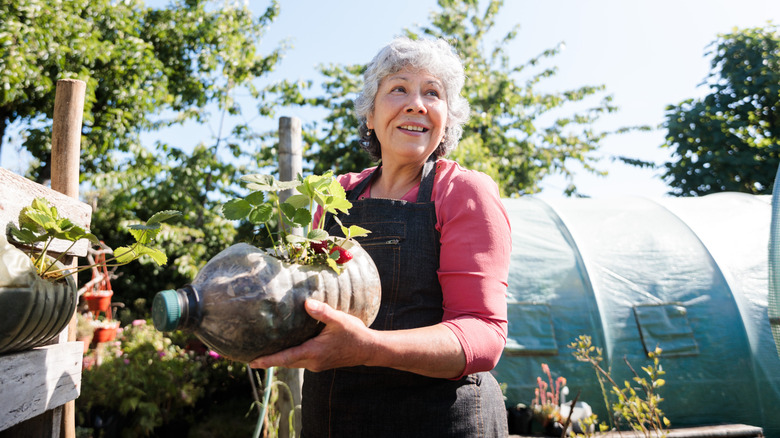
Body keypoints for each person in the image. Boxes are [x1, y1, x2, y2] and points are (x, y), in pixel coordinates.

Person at [250, 36, 511, 437]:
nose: (416, 103)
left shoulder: (462, 192)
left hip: (439, 419)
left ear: (447, 120)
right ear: (369, 115)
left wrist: (367, 348)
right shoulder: (335, 195)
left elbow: (482, 333)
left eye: (432, 93)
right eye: (399, 88)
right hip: (336, 416)